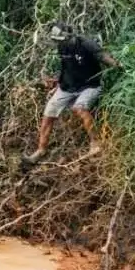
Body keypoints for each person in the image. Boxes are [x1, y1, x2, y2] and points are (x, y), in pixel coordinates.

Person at [23, 22, 121, 165]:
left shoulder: (86, 44)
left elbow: (102, 56)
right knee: (49, 113)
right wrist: (57, 81)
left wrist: (117, 65)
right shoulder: (62, 47)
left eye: (62, 40)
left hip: (89, 86)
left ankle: (96, 143)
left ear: (70, 35)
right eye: (57, 41)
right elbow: (67, 67)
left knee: (79, 108)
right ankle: (41, 150)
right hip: (68, 87)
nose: (61, 43)